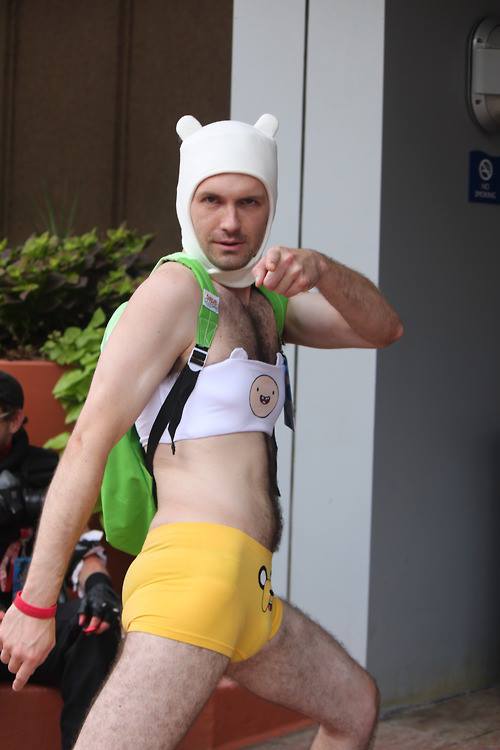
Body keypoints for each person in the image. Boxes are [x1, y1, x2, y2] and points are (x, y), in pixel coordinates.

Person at [0, 114, 403, 750]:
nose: (230, 222)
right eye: (212, 200)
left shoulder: (265, 303)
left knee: (355, 708)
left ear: (271, 206)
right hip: (191, 580)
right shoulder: (174, 291)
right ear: (186, 202)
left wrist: (321, 268)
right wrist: (35, 603)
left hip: (252, 591)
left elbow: (383, 329)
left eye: (249, 202)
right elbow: (86, 443)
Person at [0, 371, 121, 750]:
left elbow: (80, 546)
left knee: (93, 624)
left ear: (15, 420)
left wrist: (98, 587)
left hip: (29, 625)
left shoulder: (45, 472)